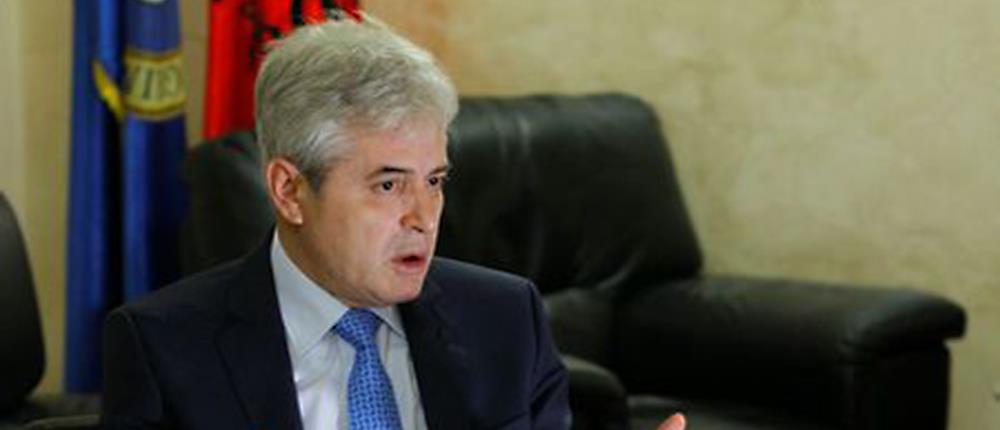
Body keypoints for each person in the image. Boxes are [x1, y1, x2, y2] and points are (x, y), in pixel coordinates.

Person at [101, 14, 686, 430]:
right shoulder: (165, 348)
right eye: (388, 185)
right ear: (289, 190)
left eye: (434, 181)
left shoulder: (507, 321)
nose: (423, 218)